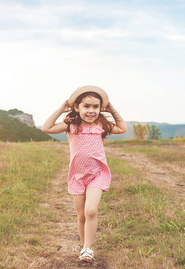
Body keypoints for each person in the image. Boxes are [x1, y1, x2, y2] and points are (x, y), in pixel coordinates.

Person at [42, 85, 127, 263]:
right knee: (81, 216)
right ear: (76, 108)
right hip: (77, 176)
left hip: (97, 174)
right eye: (86, 106)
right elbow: (46, 128)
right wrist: (60, 110)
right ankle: (84, 249)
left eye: (95, 107)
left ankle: (88, 248)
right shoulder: (71, 125)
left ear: (100, 109)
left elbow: (122, 128)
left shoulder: (101, 125)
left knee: (90, 210)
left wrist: (112, 111)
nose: (91, 110)